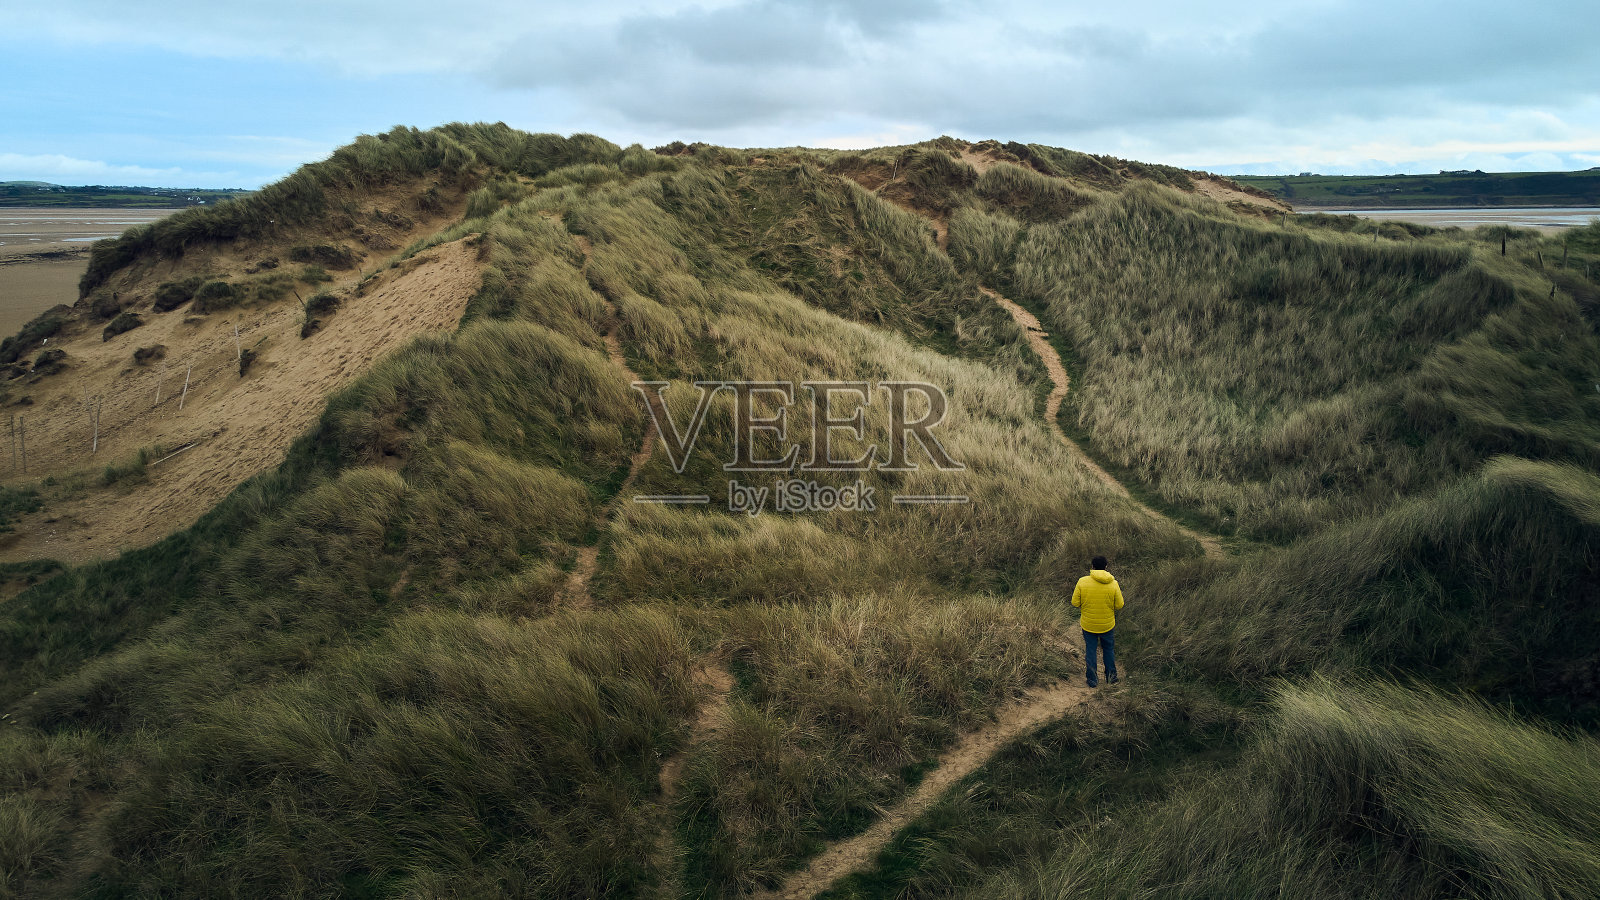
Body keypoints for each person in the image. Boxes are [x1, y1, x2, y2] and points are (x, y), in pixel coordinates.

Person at [1071, 555, 1124, 687]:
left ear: (1092, 567)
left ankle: (1092, 680)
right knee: (1108, 650)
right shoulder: (1114, 583)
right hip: (1107, 625)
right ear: (1106, 567)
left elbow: (1075, 602)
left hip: (1088, 624)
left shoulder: (1082, 581)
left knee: (1090, 650)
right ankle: (1111, 677)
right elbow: (1119, 605)